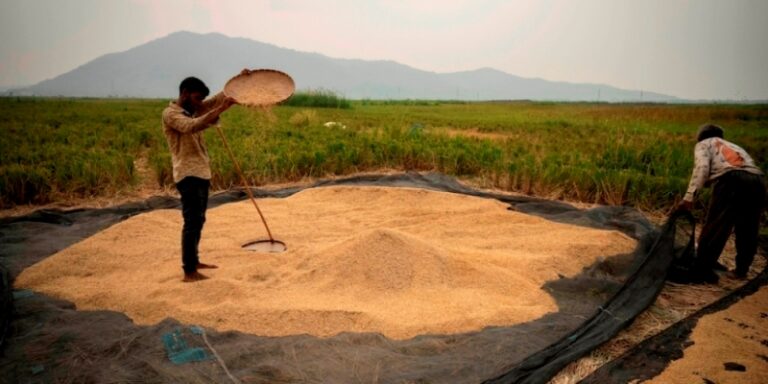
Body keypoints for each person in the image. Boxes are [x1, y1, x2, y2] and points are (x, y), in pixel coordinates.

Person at [162, 76, 237, 282]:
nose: (199, 103)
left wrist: (237, 83)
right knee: (192, 222)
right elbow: (191, 126)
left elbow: (211, 103)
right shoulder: (171, 114)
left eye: (200, 100)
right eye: (196, 98)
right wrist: (222, 109)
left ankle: (194, 261)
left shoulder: (192, 109)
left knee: (199, 219)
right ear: (184, 93)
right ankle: (189, 271)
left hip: (202, 172)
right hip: (187, 174)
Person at [679, 123, 765, 283]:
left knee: (716, 227)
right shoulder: (734, 146)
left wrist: (689, 197)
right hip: (757, 180)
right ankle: (741, 270)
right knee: (748, 227)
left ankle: (700, 271)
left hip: (731, 180)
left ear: (701, 136)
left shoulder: (703, 144)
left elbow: (702, 168)